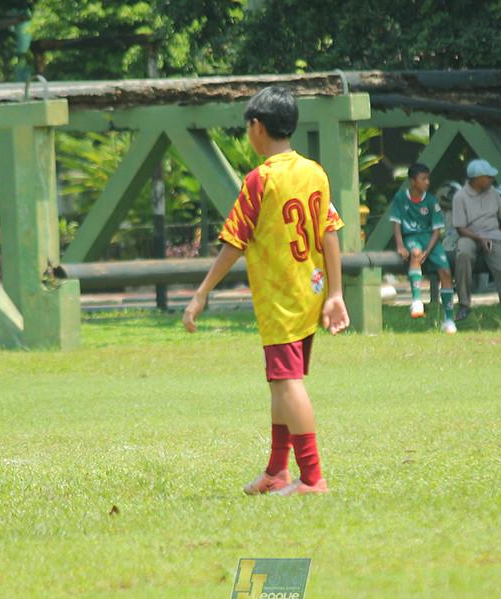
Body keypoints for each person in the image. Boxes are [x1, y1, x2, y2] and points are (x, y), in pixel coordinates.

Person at [182, 86, 349, 497]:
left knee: (289, 382)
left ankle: (312, 480)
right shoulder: (315, 172)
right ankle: (277, 472)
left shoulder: (261, 179)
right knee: (280, 382)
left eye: (248, 128)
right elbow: (330, 233)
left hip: (282, 299)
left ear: (257, 127)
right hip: (310, 290)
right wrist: (336, 293)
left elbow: (234, 242)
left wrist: (201, 292)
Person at [452, 159, 501, 329]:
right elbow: (460, 227)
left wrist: (499, 234)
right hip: (470, 236)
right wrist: (479, 239)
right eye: (489, 177)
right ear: (477, 179)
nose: (492, 179)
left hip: (493, 236)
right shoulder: (460, 197)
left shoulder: (493, 193)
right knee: (463, 253)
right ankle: (464, 303)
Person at [390, 162, 457, 333]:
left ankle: (448, 320)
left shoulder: (431, 200)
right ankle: (416, 301)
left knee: (446, 273)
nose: (427, 182)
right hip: (411, 237)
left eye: (428, 179)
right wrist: (400, 245)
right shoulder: (400, 198)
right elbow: (396, 224)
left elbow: (437, 230)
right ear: (412, 181)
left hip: (430, 240)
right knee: (416, 253)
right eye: (423, 179)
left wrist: (430, 249)